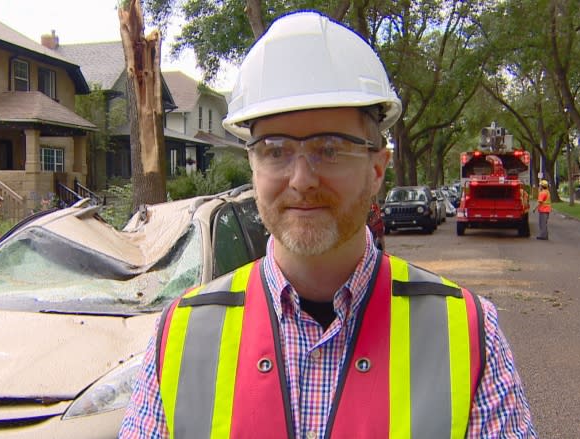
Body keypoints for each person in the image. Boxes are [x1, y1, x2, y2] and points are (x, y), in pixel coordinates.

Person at [120, 11, 537, 438]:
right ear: (253, 164)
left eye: (331, 149)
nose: (302, 180)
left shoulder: (467, 335)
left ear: (378, 168)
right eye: (276, 150)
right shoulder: (180, 338)